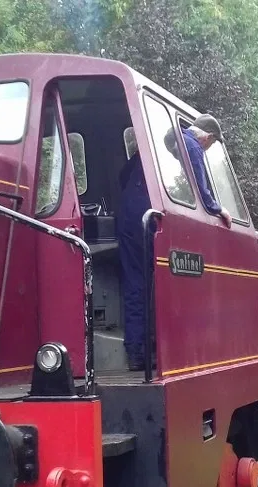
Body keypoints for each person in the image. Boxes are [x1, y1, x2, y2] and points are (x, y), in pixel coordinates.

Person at [117, 130, 151, 371]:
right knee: (149, 287)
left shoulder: (133, 164)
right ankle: (144, 351)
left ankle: (136, 351)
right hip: (144, 225)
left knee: (135, 287)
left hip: (127, 223)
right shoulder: (153, 161)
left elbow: (121, 178)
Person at [180, 114, 232, 228]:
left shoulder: (178, 138)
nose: (209, 147)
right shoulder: (194, 147)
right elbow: (200, 189)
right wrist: (218, 209)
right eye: (212, 143)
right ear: (208, 137)